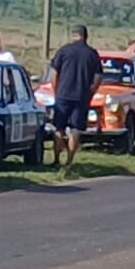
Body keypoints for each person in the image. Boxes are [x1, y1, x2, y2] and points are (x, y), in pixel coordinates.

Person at [44, 25, 103, 170]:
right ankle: (69, 161)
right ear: (86, 36)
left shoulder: (64, 50)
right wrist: (90, 93)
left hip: (63, 95)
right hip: (81, 97)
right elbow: (97, 78)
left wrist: (56, 91)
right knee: (76, 129)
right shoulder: (92, 54)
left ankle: (56, 159)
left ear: (74, 35)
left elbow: (54, 74)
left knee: (59, 128)